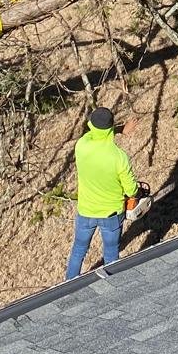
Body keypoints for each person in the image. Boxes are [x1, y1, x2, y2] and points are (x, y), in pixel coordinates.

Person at [66, 107, 138, 279]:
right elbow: (131, 190)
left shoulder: (81, 145)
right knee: (111, 252)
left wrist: (118, 130)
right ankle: (111, 284)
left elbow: (96, 134)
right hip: (111, 215)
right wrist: (120, 130)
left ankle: (68, 286)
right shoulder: (119, 157)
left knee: (78, 251)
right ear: (111, 126)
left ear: (91, 125)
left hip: (86, 211)